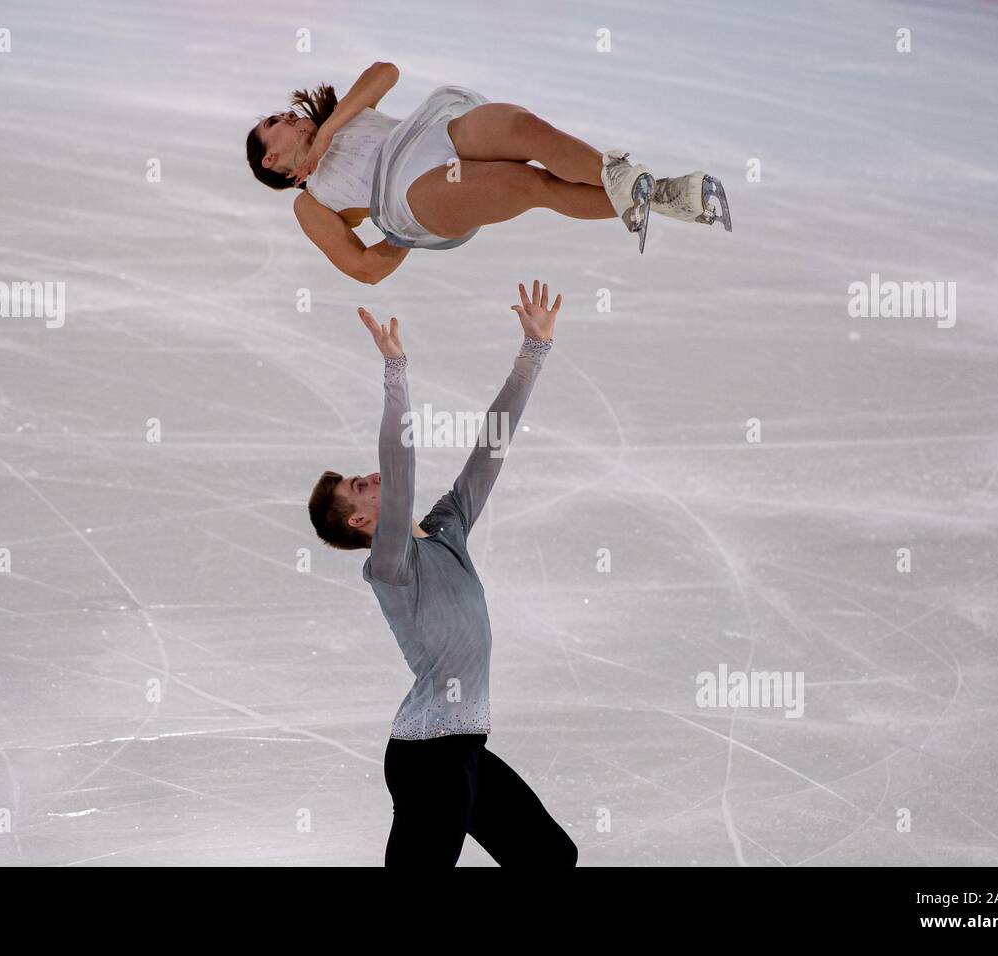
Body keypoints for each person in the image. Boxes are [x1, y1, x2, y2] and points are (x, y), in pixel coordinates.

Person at [307, 279, 578, 866]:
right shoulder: (390, 566)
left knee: (552, 857)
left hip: (462, 750)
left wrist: (532, 355)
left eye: (365, 474)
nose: (374, 478)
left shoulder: (447, 527)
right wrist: (395, 371)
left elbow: (491, 448)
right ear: (358, 521)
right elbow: (398, 465)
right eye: (362, 485)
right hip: (428, 758)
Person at [248, 62, 730, 284]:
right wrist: (403, 229)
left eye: (282, 114)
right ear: (271, 160)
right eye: (274, 124)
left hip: (431, 133)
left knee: (526, 128)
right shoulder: (309, 203)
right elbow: (364, 268)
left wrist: (330, 130)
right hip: (412, 194)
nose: (286, 116)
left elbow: (385, 72)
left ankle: (659, 195)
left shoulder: (341, 117)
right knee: (530, 185)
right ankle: (655, 196)